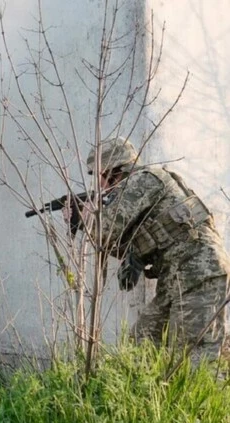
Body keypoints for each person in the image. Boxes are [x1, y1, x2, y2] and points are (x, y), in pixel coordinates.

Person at [71, 137, 230, 363]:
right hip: (176, 277)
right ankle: (146, 397)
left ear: (115, 170)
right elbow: (124, 247)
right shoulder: (138, 188)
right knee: (142, 345)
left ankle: (203, 395)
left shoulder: (142, 181)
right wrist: (81, 221)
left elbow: (104, 230)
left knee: (194, 358)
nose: (100, 185)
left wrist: (85, 217)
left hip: (200, 272)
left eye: (100, 176)